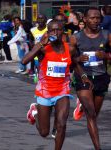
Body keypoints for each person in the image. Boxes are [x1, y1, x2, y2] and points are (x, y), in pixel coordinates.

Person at [22, 20, 92, 150]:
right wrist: (40, 44)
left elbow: (74, 64)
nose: (55, 33)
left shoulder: (69, 48)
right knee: (44, 132)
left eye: (58, 30)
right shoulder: (43, 49)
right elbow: (24, 60)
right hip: (45, 91)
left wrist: (83, 77)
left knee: (61, 124)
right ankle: (35, 111)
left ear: (63, 32)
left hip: (62, 91)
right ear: (48, 33)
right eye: (52, 30)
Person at [71, 7, 111, 150]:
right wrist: (78, 58)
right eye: (92, 18)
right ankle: (98, 148)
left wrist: (106, 56)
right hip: (83, 77)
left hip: (101, 77)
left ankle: (82, 105)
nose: (95, 20)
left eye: (98, 18)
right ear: (85, 19)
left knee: (94, 114)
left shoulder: (107, 35)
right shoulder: (76, 38)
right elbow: (69, 60)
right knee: (91, 114)